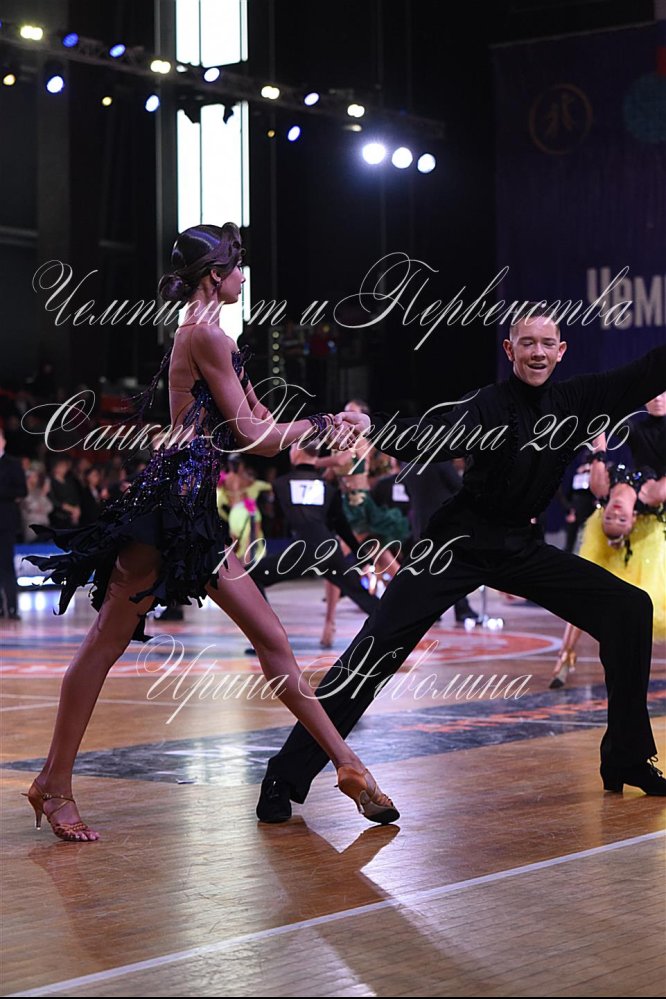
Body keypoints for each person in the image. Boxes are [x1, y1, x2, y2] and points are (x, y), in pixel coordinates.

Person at [21, 222, 398, 841]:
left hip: (193, 512)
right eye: (237, 267)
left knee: (270, 637)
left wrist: (325, 432)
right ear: (214, 275)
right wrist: (324, 421)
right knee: (103, 645)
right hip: (167, 509)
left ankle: (348, 766)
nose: (243, 277)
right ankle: (53, 783)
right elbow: (252, 434)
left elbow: (265, 428)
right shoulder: (203, 335)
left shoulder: (217, 337)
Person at [256, 304, 666, 822]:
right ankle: (284, 777)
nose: (538, 352)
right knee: (372, 653)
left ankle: (627, 755)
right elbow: (430, 435)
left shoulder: (578, 400)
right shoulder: (487, 405)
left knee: (629, 608)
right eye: (527, 342)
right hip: (454, 547)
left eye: (547, 343)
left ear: (562, 351)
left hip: (519, 547)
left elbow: (647, 371)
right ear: (509, 349)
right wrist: (373, 425)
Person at [246, 440, 380, 656]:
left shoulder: (281, 484)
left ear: (297, 453)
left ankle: (269, 639)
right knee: (360, 595)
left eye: (292, 449)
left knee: (251, 575)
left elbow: (281, 517)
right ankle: (397, 633)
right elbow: (341, 526)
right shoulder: (328, 487)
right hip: (329, 549)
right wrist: (362, 557)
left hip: (304, 550)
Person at [0, 426, 27, 619]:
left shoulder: (13, 463)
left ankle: (12, 607)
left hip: (5, 521)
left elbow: (21, 491)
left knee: (6, 564)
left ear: (3, 441)